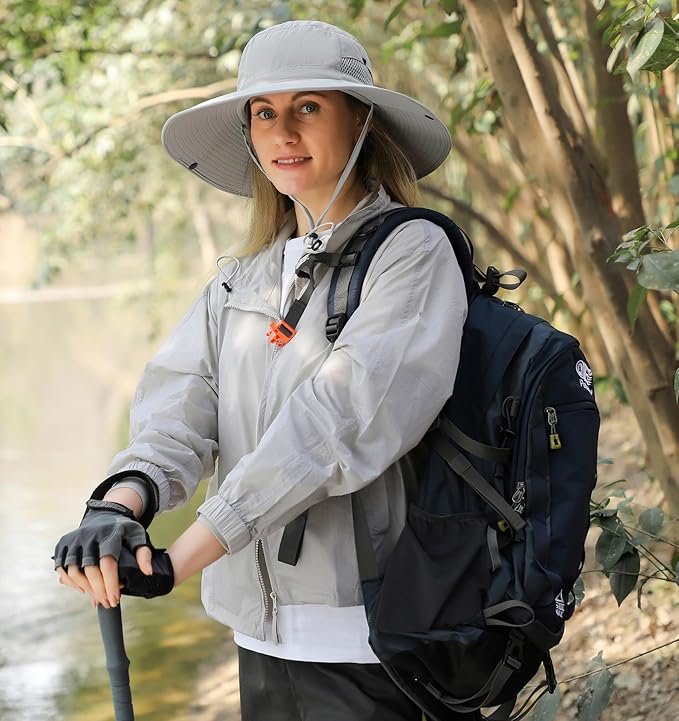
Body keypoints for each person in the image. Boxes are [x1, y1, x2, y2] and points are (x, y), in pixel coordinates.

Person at [53, 20, 469, 721]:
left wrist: (183, 556)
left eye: (308, 107)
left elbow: (337, 423)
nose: (284, 131)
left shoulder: (412, 253)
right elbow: (181, 404)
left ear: (361, 120)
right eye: (264, 113)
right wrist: (121, 503)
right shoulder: (241, 280)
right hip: (258, 636)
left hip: (368, 640)